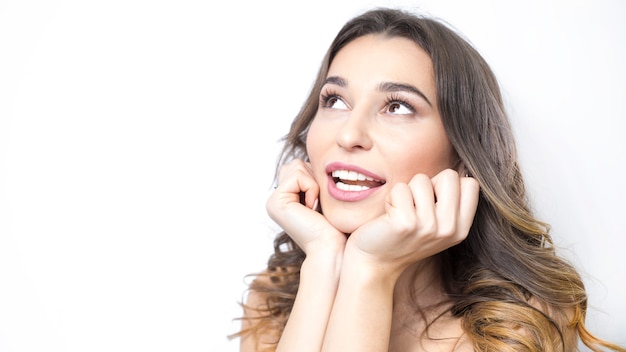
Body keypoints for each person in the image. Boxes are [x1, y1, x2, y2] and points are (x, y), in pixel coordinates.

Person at [230, 7, 626, 352]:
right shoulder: (273, 301)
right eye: (334, 100)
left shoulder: (511, 331)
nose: (349, 135)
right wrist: (323, 261)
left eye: (398, 106)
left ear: (462, 154)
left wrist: (370, 270)